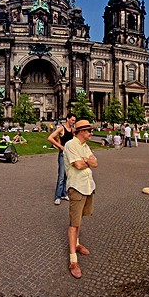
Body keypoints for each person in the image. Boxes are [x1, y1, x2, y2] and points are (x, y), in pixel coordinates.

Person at [63, 120, 99, 279]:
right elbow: (77, 165)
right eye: (89, 130)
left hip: (88, 186)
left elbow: (95, 163)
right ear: (81, 131)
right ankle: (73, 260)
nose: (91, 133)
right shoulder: (71, 145)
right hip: (76, 187)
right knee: (73, 223)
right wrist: (86, 161)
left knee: (80, 219)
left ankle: (77, 244)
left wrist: (85, 161)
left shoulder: (85, 146)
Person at [47, 114, 77, 205]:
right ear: (67, 119)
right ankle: (57, 196)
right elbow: (50, 138)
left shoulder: (72, 130)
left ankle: (64, 193)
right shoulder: (62, 128)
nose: (73, 122)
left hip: (70, 155)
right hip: (63, 155)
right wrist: (60, 146)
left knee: (66, 175)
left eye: (74, 120)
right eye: (72, 120)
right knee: (61, 176)